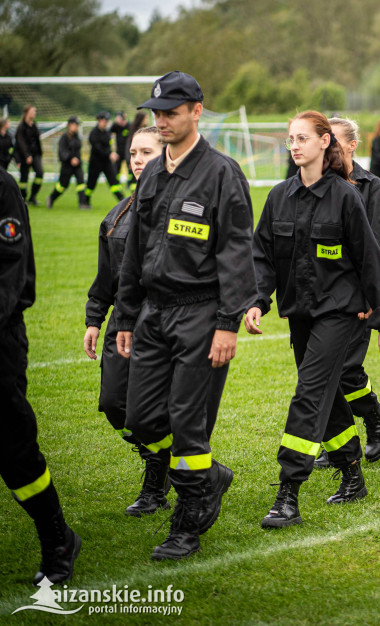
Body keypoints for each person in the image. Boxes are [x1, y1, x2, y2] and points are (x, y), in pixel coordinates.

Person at [114, 71, 257, 560]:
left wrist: (228, 323)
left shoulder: (222, 173)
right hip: (153, 313)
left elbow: (238, 251)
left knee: (188, 423)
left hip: (201, 313)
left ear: (198, 110)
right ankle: (212, 477)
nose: (162, 121)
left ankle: (187, 522)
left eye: (171, 112)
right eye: (157, 113)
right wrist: (126, 317)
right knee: (141, 417)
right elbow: (134, 249)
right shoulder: (152, 172)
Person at [247, 112, 380, 528]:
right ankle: (352, 474)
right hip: (300, 313)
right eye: (290, 139)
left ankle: (288, 493)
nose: (294, 146)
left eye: (302, 138)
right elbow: (261, 255)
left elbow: (371, 260)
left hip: (342, 312)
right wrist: (258, 299)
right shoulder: (279, 196)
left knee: (309, 393)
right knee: (328, 396)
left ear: (324, 142)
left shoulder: (347, 196)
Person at [1, 167, 82, 585]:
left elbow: (12, 273)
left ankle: (57, 540)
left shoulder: (2, 187)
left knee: (13, 448)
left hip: (1, 337)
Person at [83, 126, 168, 516]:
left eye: (146, 152)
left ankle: (156, 481)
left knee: (146, 411)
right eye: (133, 152)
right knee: (113, 403)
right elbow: (106, 278)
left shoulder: (177, 213)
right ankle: (162, 459)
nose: (136, 159)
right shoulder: (116, 216)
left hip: (164, 321)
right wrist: (94, 319)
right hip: (122, 321)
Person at [309, 116, 380, 466]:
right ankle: (341, 444)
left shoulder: (370, 186)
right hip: (318, 295)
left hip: (355, 296)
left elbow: (374, 249)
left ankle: (375, 420)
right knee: (323, 375)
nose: (327, 149)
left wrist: (375, 306)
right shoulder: (309, 183)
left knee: (344, 370)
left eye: (333, 143)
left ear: (351, 146)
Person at [85, 111, 126, 208]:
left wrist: (111, 154)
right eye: (103, 120)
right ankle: (85, 201)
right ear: (99, 120)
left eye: (107, 121)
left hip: (106, 163)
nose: (105, 122)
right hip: (95, 163)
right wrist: (109, 154)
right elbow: (97, 147)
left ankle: (123, 201)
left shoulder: (107, 132)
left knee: (114, 182)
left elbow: (108, 146)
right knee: (91, 184)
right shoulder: (93, 133)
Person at [46, 117, 87, 209]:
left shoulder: (77, 138)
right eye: (75, 125)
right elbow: (62, 152)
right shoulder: (63, 138)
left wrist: (77, 160)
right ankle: (51, 198)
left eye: (78, 125)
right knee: (62, 185)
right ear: (70, 125)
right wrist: (71, 159)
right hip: (67, 166)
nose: (77, 127)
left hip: (77, 165)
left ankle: (82, 204)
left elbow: (77, 151)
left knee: (81, 182)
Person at [15, 105, 44, 205]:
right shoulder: (21, 127)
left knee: (40, 173)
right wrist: (26, 155)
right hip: (24, 156)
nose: (34, 113)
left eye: (35, 111)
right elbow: (20, 142)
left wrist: (39, 153)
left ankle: (33, 196)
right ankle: (23, 198)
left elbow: (36, 141)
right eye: (32, 111)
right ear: (26, 113)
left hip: (35, 154)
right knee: (24, 178)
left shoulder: (34, 125)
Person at [112, 111, 131, 178]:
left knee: (129, 167)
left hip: (128, 150)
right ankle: (117, 182)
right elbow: (109, 132)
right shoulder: (116, 126)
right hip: (119, 151)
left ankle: (130, 183)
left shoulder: (129, 125)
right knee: (116, 167)